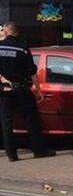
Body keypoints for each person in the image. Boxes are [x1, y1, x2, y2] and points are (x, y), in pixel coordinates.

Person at [0, 21, 55, 162]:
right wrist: (39, 91)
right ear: (16, 32)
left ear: (6, 31)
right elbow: (32, 73)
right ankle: (38, 151)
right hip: (22, 89)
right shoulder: (23, 48)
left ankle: (12, 155)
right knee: (31, 120)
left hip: (4, 91)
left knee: (7, 123)